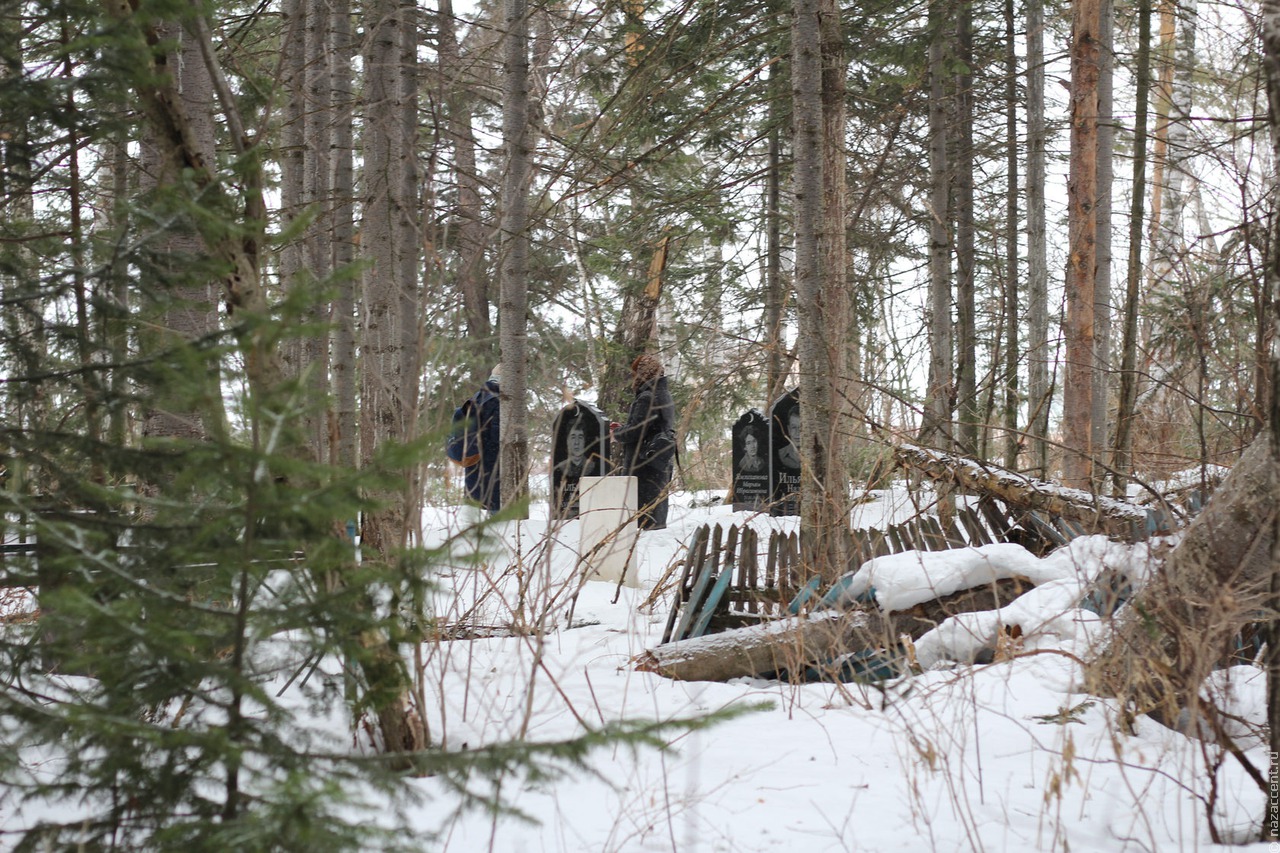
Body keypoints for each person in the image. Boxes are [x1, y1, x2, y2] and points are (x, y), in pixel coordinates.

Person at [615, 353, 676, 530]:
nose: (633, 377)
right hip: (660, 459)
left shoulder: (647, 397)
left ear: (642, 374)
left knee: (643, 519)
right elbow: (651, 425)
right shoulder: (664, 394)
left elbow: (636, 431)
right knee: (655, 512)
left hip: (643, 463)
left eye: (635, 373)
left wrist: (616, 433)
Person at [465, 365, 502, 512]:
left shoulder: (477, 397)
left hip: (473, 465)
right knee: (497, 521)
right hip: (492, 470)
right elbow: (497, 438)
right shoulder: (499, 400)